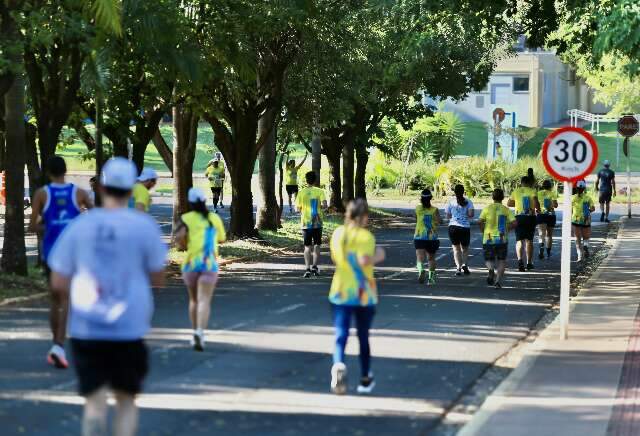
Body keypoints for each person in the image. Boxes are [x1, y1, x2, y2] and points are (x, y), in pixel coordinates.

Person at [48, 157, 167, 436]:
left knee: (94, 403)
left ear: (100, 187)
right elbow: (158, 279)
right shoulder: (144, 227)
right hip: (129, 326)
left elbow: (58, 281)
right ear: (131, 189)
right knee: (126, 401)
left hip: (87, 327)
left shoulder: (80, 226)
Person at [29, 155, 93, 369]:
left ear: (48, 172)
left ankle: (56, 343)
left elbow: (32, 227)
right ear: (66, 171)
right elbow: (96, 218)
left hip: (50, 253)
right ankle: (59, 344)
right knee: (67, 299)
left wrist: (49, 227)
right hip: (72, 254)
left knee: (55, 299)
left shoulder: (41, 194)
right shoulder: (79, 193)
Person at [328, 199, 385, 395]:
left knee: (340, 334)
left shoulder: (337, 234)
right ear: (363, 217)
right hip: (364, 294)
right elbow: (363, 260)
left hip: (340, 291)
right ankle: (365, 378)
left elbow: (336, 259)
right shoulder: (365, 237)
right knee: (363, 336)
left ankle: (338, 363)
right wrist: (379, 255)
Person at [174, 187, 226, 351]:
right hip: (209, 265)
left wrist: (185, 243)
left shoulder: (185, 218)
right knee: (204, 300)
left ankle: (194, 331)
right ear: (204, 201)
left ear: (190, 203)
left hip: (190, 265)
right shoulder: (214, 218)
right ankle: (199, 333)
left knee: (193, 300)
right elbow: (222, 239)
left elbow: (179, 240)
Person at [479, 189, 516, 289]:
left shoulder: (487, 208)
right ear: (503, 198)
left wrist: (483, 231)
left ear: (492, 197)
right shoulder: (506, 209)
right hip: (502, 239)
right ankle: (497, 281)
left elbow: (480, 221)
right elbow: (515, 223)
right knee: (501, 260)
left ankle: (491, 270)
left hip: (488, 238)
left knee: (488, 259)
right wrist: (507, 229)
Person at [296, 171, 327, 278]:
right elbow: (324, 205)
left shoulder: (301, 192)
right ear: (315, 180)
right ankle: (315, 267)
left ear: (306, 180)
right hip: (317, 222)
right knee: (317, 244)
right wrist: (323, 207)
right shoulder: (320, 191)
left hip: (305, 223)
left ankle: (307, 268)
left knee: (307, 246)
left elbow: (297, 209)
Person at [508, 176, 540, 271]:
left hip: (519, 217)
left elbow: (509, 203)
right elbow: (535, 202)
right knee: (529, 240)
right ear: (530, 183)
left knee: (519, 240)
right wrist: (537, 208)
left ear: (521, 182)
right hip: (530, 217)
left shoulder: (516, 191)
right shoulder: (532, 191)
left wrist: (517, 203)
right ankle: (529, 263)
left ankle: (520, 261)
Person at [445, 184, 474, 276]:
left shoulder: (451, 202)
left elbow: (448, 216)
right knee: (465, 249)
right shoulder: (469, 202)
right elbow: (471, 215)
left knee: (456, 249)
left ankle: (458, 268)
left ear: (455, 192)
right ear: (463, 191)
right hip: (464, 227)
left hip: (453, 227)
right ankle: (465, 264)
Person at [414, 189, 441, 285]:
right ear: (430, 198)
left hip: (419, 236)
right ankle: (431, 279)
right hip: (431, 237)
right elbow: (439, 221)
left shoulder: (417, 208)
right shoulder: (435, 210)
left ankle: (421, 270)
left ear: (421, 198)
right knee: (431, 258)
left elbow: (416, 219)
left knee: (419, 257)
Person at [572, 180, 596, 261]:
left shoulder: (573, 198)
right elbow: (593, 208)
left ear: (576, 188)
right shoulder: (588, 198)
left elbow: (569, 209)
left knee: (577, 239)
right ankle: (585, 246)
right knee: (586, 237)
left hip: (576, 219)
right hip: (586, 219)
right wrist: (588, 210)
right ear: (584, 188)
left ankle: (579, 255)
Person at [536, 180, 558, 259]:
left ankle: (541, 246)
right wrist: (552, 204)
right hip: (551, 215)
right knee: (549, 235)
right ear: (550, 186)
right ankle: (548, 252)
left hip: (541, 214)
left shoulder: (538, 193)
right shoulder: (553, 194)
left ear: (543, 186)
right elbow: (555, 205)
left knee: (541, 234)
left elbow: (536, 203)